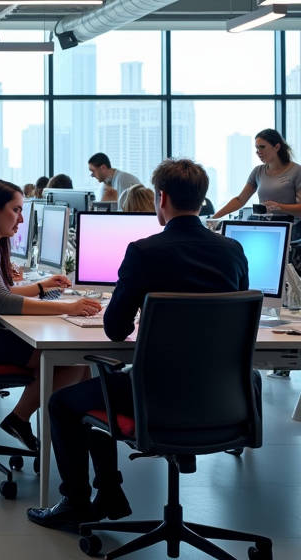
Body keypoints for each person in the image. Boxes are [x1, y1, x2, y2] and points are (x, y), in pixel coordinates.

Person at [27, 158, 251, 533]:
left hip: (153, 394)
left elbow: (115, 330)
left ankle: (77, 502)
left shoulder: (144, 251)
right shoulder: (232, 251)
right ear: (202, 198)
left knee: (62, 403)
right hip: (223, 396)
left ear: (160, 198)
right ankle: (109, 492)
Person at [0, 180, 101, 452]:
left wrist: (41, 287)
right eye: (16, 210)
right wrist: (67, 307)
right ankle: (21, 419)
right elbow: (1, 301)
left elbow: (2, 290)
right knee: (70, 360)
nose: (21, 219)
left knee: (79, 363)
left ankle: (73, 437)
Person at [213, 128, 301, 219]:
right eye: (257, 147)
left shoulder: (296, 171)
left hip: (291, 227)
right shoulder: (258, 171)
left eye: (262, 147)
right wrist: (214, 218)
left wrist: (279, 207)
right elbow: (240, 200)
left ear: (277, 147)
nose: (258, 151)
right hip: (265, 226)